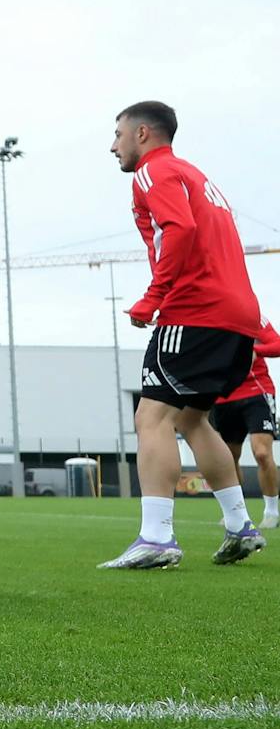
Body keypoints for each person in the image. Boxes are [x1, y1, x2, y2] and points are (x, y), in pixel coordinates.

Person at [102, 102, 266, 568]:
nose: (113, 146)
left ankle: (156, 538)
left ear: (143, 134)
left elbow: (180, 228)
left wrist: (154, 297)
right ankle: (240, 525)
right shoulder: (197, 176)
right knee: (194, 420)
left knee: (151, 417)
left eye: (118, 135)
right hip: (239, 317)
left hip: (195, 311)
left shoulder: (153, 172)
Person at [210, 318, 279, 530]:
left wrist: (256, 350)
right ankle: (236, 512)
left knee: (262, 453)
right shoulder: (205, 319)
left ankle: (272, 512)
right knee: (229, 458)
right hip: (222, 397)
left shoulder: (253, 317)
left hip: (257, 391)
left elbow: (277, 345)